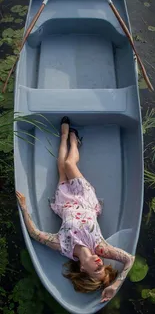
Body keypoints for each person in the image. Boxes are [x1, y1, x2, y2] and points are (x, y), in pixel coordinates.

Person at [16, 116, 135, 303]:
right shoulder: (100, 248)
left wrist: (24, 207)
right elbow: (130, 259)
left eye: (96, 269)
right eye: (102, 267)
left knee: (61, 167)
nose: (100, 263)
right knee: (70, 165)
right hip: (85, 197)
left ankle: (64, 136)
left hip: (65, 202)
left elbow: (34, 234)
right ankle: (74, 140)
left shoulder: (62, 246)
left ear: (82, 269)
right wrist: (114, 286)